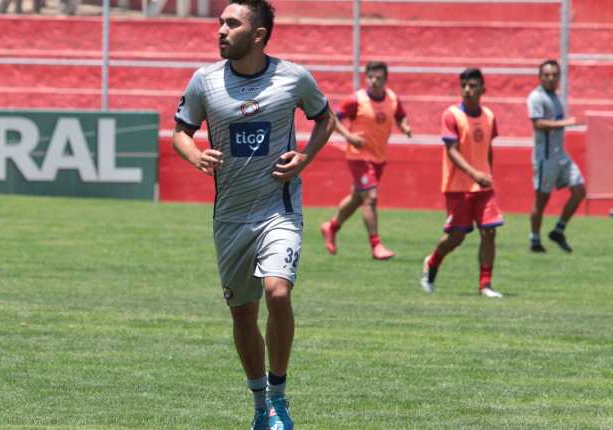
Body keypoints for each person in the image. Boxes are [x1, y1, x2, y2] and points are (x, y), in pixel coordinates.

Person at [171, 0, 334, 428]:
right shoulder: (204, 81)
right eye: (220, 22)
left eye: (232, 23)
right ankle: (260, 403)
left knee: (278, 293)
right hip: (230, 217)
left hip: (279, 208)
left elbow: (325, 119)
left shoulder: (293, 78)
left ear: (258, 35)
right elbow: (180, 133)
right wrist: (195, 154)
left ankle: (279, 397)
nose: (221, 30)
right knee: (243, 313)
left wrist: (305, 158)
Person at [420, 68, 504, 298]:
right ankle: (432, 262)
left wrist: (487, 174)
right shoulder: (451, 115)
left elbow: (488, 148)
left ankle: (485, 285)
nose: (467, 90)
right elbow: (452, 151)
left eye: (473, 86)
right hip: (458, 186)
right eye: (464, 86)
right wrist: (475, 174)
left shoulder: (489, 116)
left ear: (483, 89)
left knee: (489, 232)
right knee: (456, 237)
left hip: (483, 186)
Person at [320, 61, 412, 260]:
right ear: (366, 78)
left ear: (385, 80)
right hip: (359, 157)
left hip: (379, 157)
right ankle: (376, 245)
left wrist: (405, 126)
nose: (374, 81)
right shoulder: (357, 100)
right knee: (370, 197)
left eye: (378, 78)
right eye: (370, 77)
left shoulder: (392, 98)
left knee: (357, 198)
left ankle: (331, 227)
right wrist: (349, 137)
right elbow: (332, 118)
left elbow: (400, 116)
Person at [527, 59, 585, 253]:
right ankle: (535, 239)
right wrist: (565, 123)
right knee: (542, 200)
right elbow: (538, 124)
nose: (551, 78)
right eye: (547, 74)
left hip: (560, 155)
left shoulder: (556, 97)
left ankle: (558, 230)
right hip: (545, 158)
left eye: (554, 75)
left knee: (579, 190)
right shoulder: (536, 97)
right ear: (540, 77)